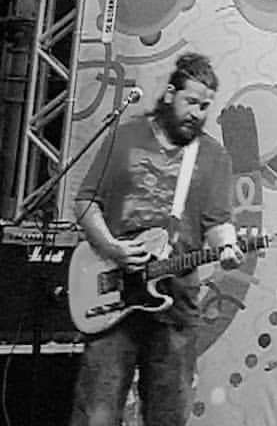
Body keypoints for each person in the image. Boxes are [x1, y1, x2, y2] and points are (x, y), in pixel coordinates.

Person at [68, 51, 241, 426]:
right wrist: (111, 247)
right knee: (97, 413)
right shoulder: (127, 136)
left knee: (168, 415)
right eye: (190, 102)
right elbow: (86, 202)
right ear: (169, 94)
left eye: (205, 106)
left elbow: (218, 222)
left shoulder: (214, 156)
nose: (197, 113)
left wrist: (227, 247)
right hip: (113, 298)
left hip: (175, 305)